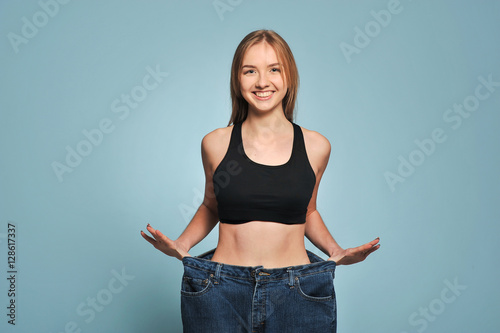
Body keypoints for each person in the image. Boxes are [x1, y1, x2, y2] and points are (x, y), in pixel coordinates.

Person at [141, 29, 380, 332]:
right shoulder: (215, 143)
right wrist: (180, 245)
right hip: (220, 292)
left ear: (288, 76)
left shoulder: (317, 146)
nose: (262, 81)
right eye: (250, 71)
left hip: (299, 293)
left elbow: (307, 212)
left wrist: (336, 251)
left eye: (274, 70)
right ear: (237, 79)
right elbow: (211, 205)